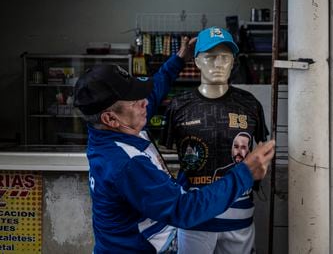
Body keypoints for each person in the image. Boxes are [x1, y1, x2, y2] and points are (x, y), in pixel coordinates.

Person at [73, 37, 275, 254]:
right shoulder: (126, 164)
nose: (146, 103)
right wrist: (244, 173)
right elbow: (184, 209)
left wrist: (179, 60)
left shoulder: (119, 127)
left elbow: (154, 90)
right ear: (110, 119)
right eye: (135, 101)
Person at [162, 27, 269, 254]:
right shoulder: (179, 106)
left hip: (240, 216)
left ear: (233, 62)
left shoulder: (250, 104)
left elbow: (258, 153)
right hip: (195, 217)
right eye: (210, 57)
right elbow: (167, 159)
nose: (218, 64)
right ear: (197, 61)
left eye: (225, 57)